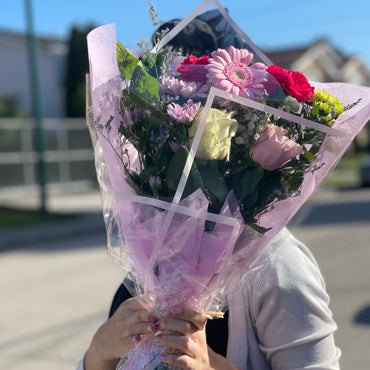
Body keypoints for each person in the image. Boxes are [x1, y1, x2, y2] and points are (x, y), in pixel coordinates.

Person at [79, 10, 341, 370]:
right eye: (147, 119)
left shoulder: (276, 265)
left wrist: (210, 366)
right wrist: (99, 351)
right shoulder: (150, 244)